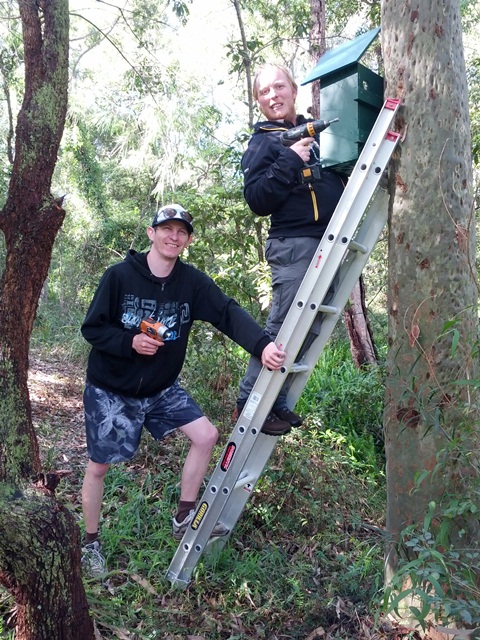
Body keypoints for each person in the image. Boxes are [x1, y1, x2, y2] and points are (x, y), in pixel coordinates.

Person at [80, 203, 286, 577]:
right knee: (99, 467)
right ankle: (90, 542)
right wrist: (130, 343)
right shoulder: (119, 277)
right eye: (166, 229)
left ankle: (183, 515)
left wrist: (262, 345)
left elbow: (226, 312)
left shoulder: (192, 283)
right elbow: (92, 329)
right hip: (112, 390)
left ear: (188, 240)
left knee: (206, 435)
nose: (173, 237)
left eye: (181, 232)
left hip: (160, 388)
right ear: (151, 232)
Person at [235, 64, 346, 435]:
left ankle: (276, 398)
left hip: (328, 242)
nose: (273, 96)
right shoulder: (262, 143)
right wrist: (289, 159)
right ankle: (249, 401)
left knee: (313, 324)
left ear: (294, 89)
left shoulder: (318, 132)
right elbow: (257, 199)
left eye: (279, 87)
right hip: (293, 245)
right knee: (284, 323)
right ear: (258, 101)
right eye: (264, 91)